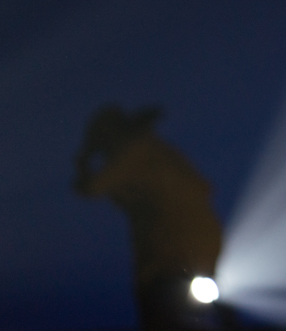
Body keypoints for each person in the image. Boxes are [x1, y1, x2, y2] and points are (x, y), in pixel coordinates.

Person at [74, 104, 225, 331]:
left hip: (171, 255)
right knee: (195, 313)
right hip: (194, 248)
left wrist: (84, 158)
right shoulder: (156, 152)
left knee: (168, 314)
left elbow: (91, 188)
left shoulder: (135, 151)